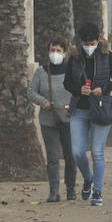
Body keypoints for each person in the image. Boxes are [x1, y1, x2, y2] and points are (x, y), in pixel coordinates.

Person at [63, 21, 112, 206]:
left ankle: (97, 191)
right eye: (85, 44)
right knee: (78, 152)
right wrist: (79, 89)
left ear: (98, 40)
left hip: (100, 109)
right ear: (80, 42)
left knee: (97, 152)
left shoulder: (107, 56)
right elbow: (66, 83)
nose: (89, 47)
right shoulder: (74, 57)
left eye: (92, 43)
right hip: (79, 109)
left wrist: (102, 89)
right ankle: (88, 178)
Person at [25, 35, 78, 203]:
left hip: (70, 121)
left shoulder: (72, 70)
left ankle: (70, 189)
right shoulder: (41, 72)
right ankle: (54, 191)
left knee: (70, 156)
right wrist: (43, 102)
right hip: (49, 121)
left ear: (65, 53)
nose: (55, 53)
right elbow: (31, 92)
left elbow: (81, 89)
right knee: (53, 157)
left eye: (58, 50)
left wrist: (74, 105)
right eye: (52, 50)